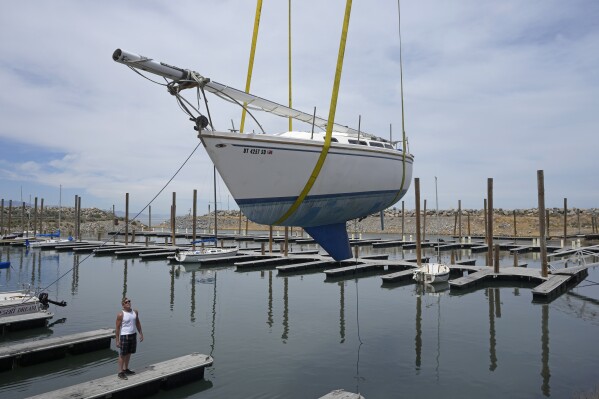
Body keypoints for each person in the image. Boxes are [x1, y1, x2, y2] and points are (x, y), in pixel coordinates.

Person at [115, 297, 144, 380]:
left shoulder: (135, 312)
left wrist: (141, 333)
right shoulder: (121, 314)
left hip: (133, 335)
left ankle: (126, 369)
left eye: (129, 301)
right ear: (123, 305)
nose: (128, 303)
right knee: (122, 354)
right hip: (125, 336)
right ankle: (120, 372)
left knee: (129, 353)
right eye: (126, 302)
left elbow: (137, 323)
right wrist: (117, 340)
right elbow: (117, 328)